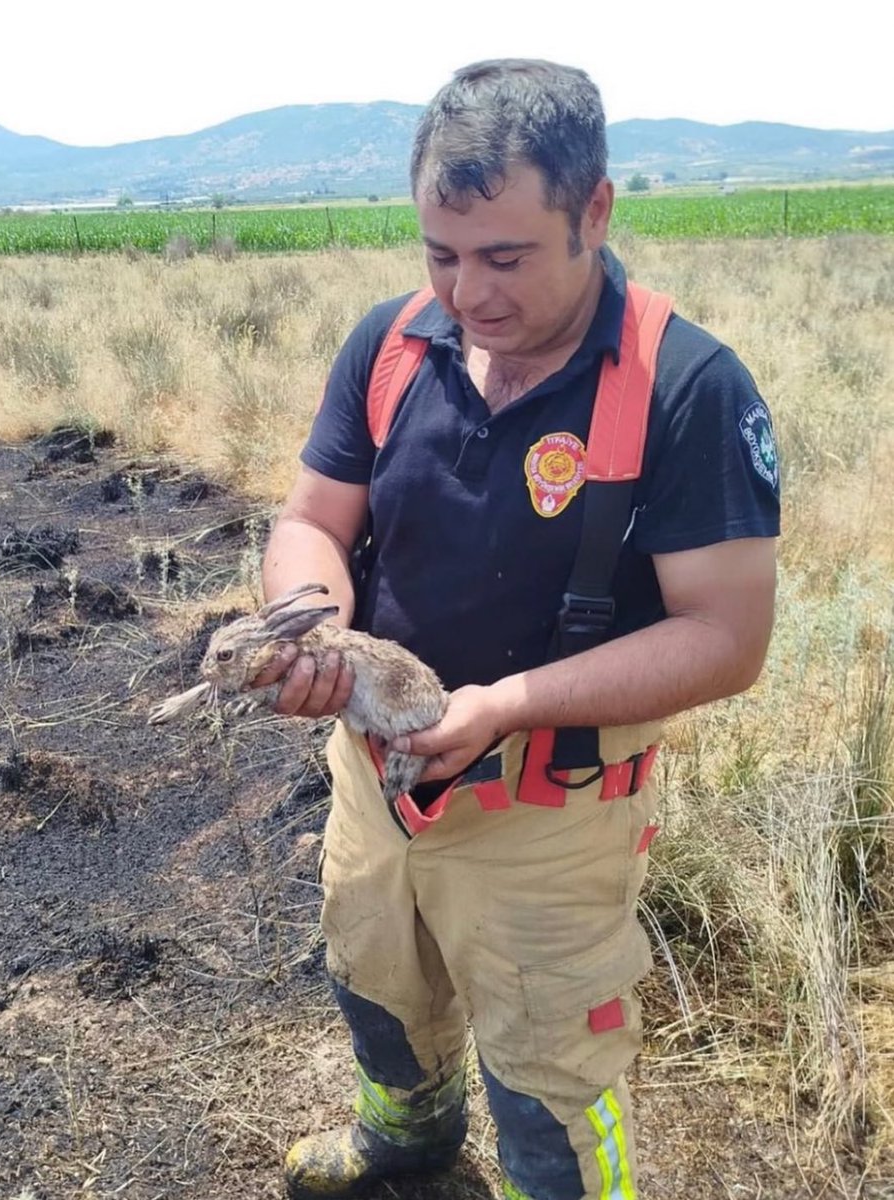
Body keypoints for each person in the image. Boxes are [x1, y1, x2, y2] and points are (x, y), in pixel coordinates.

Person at [255, 59, 779, 1200]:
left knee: (551, 1084)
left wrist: (502, 707)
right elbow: (310, 522)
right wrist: (311, 629)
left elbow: (727, 637)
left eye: (504, 257)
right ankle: (406, 1142)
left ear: (594, 210)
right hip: (375, 780)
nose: (467, 294)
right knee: (376, 983)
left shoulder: (686, 388)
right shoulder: (392, 348)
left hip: (550, 814)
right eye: (440, 255)